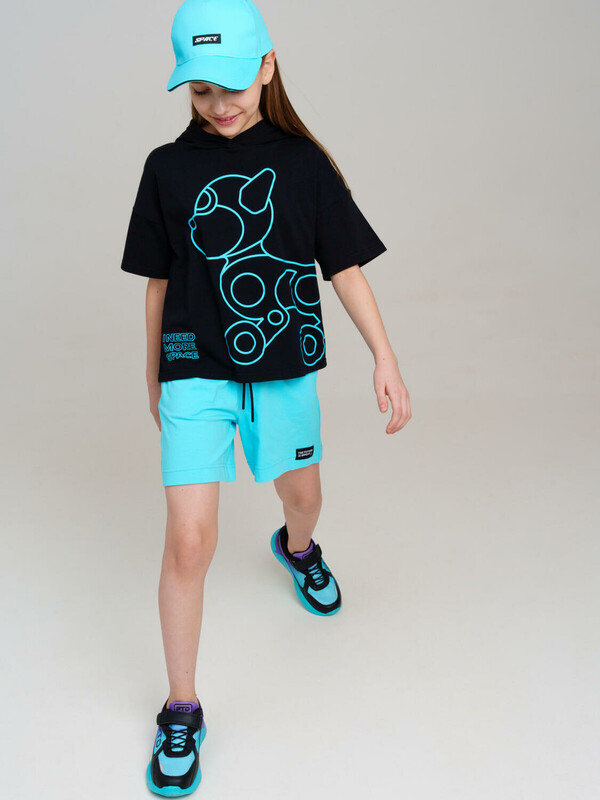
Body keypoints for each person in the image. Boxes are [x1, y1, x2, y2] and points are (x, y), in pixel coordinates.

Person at [120, 0, 411, 795]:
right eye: (201, 90)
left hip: (284, 368)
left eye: (233, 85)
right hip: (194, 369)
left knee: (304, 497)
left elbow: (344, 266)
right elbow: (157, 283)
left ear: (268, 66)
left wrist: (385, 357)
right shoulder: (165, 168)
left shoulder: (304, 164)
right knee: (189, 543)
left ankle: (298, 549)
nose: (219, 104)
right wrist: (153, 374)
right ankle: (182, 707)